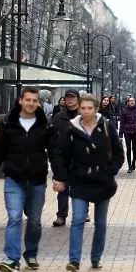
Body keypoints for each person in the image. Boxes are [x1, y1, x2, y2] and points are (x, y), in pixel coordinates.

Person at [0, 88, 55, 272]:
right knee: (14, 218)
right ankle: (12, 260)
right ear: (21, 101)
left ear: (38, 103)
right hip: (14, 179)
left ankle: (30, 254)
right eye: (28, 100)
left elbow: (54, 153)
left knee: (35, 221)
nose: (31, 103)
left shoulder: (44, 125)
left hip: (37, 180)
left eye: (35, 100)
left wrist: (60, 176)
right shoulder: (7, 123)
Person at [52, 94, 124, 272]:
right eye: (83, 108)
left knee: (100, 223)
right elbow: (61, 154)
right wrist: (62, 176)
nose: (86, 111)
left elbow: (118, 153)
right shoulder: (72, 129)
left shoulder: (106, 127)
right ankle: (74, 261)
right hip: (79, 182)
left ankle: (95, 258)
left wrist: (110, 170)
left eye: (89, 108)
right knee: (77, 219)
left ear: (96, 109)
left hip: (102, 182)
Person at [51, 89, 80, 227]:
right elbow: (52, 138)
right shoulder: (58, 117)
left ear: (77, 99)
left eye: (72, 98)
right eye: (68, 98)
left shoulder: (84, 115)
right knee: (62, 188)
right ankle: (61, 215)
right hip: (62, 159)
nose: (70, 100)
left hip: (79, 159)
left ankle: (81, 213)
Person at [119, 96, 136, 173]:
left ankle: (133, 163)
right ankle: (129, 166)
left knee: (134, 149)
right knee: (128, 149)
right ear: (128, 102)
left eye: (133, 101)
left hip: (135, 131)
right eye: (130, 101)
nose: (132, 102)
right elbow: (122, 123)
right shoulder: (124, 110)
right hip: (127, 131)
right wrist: (120, 135)